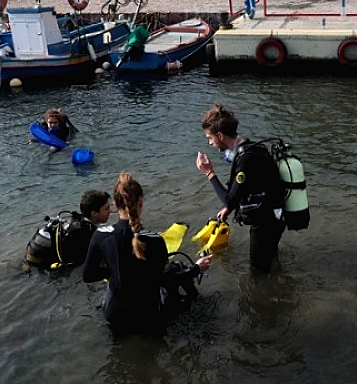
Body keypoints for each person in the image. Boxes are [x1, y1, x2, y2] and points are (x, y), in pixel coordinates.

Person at [83, 173, 212, 333]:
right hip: (146, 315)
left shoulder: (100, 235)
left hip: (114, 315)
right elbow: (167, 280)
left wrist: (116, 269)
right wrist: (196, 269)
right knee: (176, 272)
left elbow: (88, 276)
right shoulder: (155, 240)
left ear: (115, 205)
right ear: (141, 203)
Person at [195, 104, 286, 273]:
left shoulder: (246, 159)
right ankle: (279, 289)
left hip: (265, 225)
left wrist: (209, 173)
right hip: (276, 217)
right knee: (271, 261)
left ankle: (262, 298)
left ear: (220, 135)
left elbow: (230, 198)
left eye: (210, 138)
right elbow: (245, 189)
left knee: (258, 275)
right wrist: (228, 209)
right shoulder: (251, 147)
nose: (210, 143)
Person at [24, 190, 111, 270]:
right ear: (94, 213)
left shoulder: (74, 220)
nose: (109, 211)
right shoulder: (86, 232)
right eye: (106, 208)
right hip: (48, 268)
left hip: (32, 261)